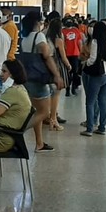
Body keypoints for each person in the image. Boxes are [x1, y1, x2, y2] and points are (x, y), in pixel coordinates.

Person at [21, 10, 65, 152]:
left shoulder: (25, 37)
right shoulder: (39, 36)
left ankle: (39, 142)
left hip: (27, 77)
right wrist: (57, 75)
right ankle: (19, 130)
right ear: (36, 22)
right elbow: (47, 56)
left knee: (36, 111)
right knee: (45, 112)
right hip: (39, 78)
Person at [0, 59, 32, 153]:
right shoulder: (20, 89)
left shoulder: (12, 92)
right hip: (8, 136)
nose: (0, 74)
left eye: (4, 71)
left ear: (13, 74)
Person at [80, 20, 106, 136]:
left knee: (90, 102)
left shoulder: (95, 42)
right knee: (102, 101)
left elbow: (93, 59)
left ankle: (89, 128)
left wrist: (86, 63)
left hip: (98, 76)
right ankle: (102, 127)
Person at [44, 16, 71, 130]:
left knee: (48, 94)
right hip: (57, 67)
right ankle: (53, 119)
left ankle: (47, 116)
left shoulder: (45, 38)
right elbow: (63, 57)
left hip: (46, 67)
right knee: (56, 95)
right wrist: (69, 66)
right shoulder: (58, 40)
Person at [62, 18, 83, 96]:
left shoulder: (76, 30)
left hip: (75, 54)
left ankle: (73, 88)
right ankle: (67, 89)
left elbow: (79, 41)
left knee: (75, 72)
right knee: (67, 73)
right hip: (66, 54)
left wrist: (81, 52)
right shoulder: (62, 31)